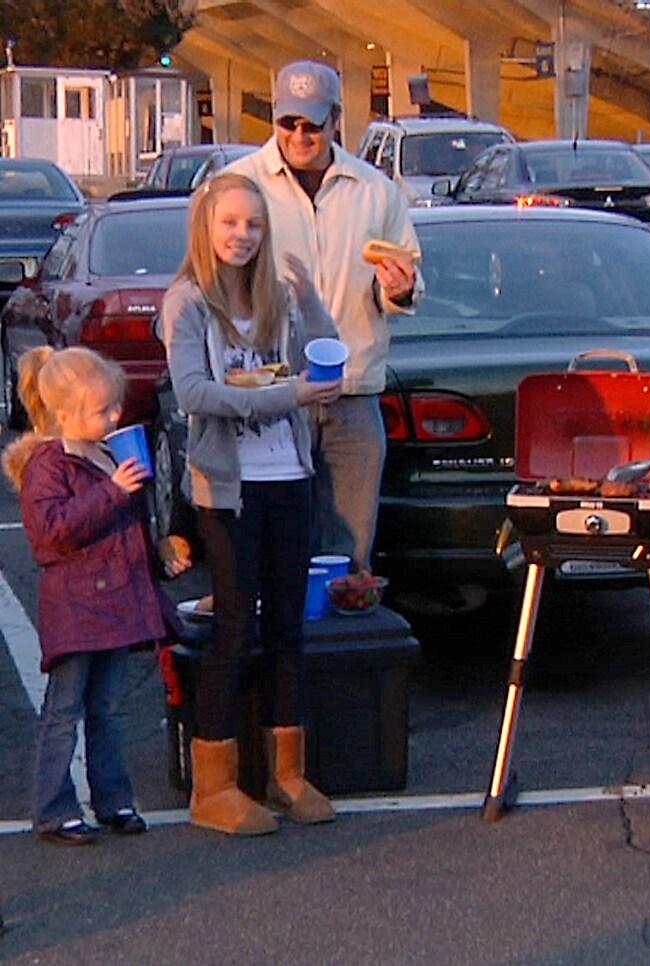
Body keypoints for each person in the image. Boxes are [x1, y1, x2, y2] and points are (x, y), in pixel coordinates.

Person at [161, 173, 343, 835]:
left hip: (289, 477)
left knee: (288, 626)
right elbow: (195, 394)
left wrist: (312, 303)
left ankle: (286, 774)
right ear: (205, 228)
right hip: (228, 491)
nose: (242, 236)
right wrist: (283, 396)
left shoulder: (275, 298)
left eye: (254, 225)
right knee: (235, 629)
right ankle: (213, 789)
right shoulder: (186, 302)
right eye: (230, 223)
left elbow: (323, 368)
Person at [227, 60, 421, 575]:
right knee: (269, 543)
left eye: (311, 124)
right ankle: (276, 647)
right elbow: (207, 279)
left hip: (353, 392)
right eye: (287, 122)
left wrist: (399, 289)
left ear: (336, 119)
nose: (298, 134)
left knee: (348, 551)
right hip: (272, 392)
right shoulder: (237, 185)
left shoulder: (375, 190)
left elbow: (404, 285)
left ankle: (342, 643)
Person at [2, 347, 187, 846]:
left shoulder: (107, 452)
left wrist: (160, 557)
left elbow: (126, 530)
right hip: (75, 605)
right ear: (63, 415)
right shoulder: (49, 464)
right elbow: (50, 535)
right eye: (101, 411)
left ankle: (114, 799)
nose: (113, 418)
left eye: (113, 408)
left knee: (109, 707)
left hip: (118, 600)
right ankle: (54, 807)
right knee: (65, 710)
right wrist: (112, 492)